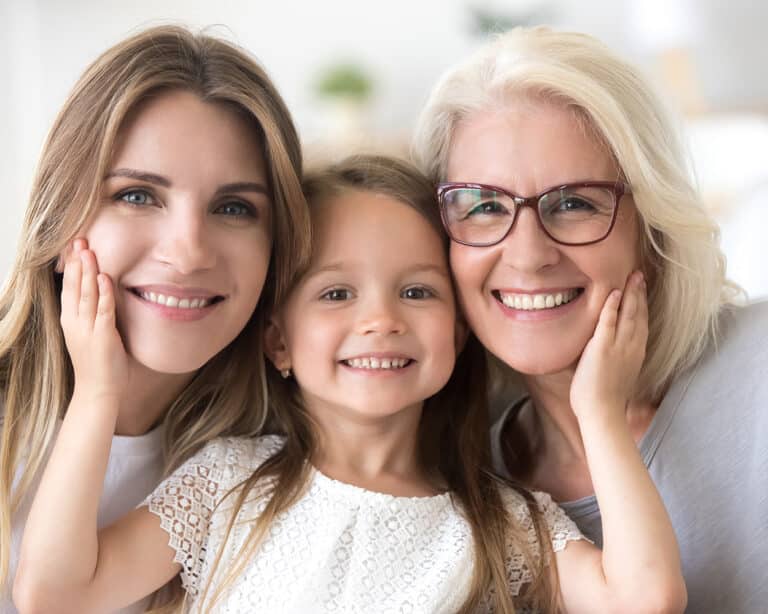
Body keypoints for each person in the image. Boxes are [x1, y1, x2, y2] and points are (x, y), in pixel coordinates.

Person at [14, 155, 685, 613]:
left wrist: (596, 411)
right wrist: (96, 392)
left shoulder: (503, 523)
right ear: (278, 339)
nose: (380, 321)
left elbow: (645, 598)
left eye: (417, 291)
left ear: (457, 332)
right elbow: (55, 591)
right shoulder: (226, 484)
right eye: (336, 293)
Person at [412, 26, 768, 613]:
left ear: (652, 231)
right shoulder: (466, 487)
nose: (527, 255)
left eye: (575, 202)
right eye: (483, 205)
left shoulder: (756, 368)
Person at [0, 25, 310, 613]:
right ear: (64, 217)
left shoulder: (273, 465)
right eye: (138, 195)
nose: (188, 251)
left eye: (234, 207)